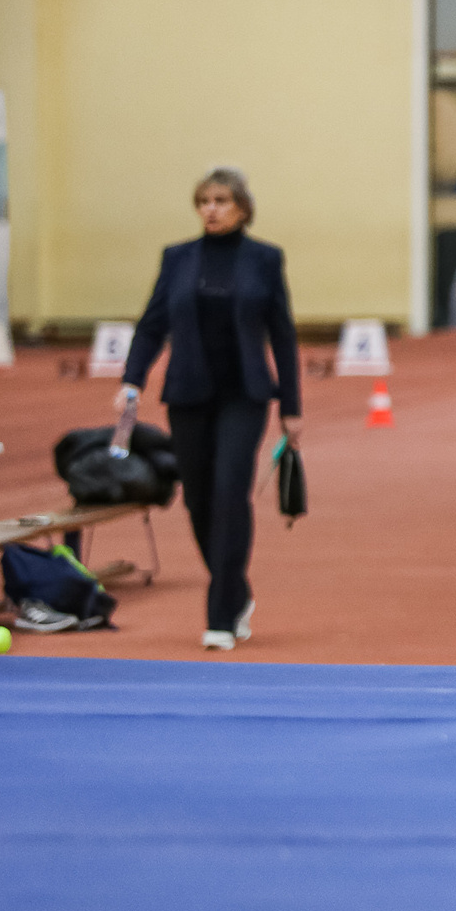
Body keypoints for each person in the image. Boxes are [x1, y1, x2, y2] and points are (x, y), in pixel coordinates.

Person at [117, 167, 302, 652]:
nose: (211, 210)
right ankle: (236, 590)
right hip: (188, 394)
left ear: (242, 207)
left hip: (245, 394)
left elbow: (281, 333)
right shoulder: (177, 258)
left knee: (228, 493)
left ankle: (220, 612)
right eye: (203, 201)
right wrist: (132, 380)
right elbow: (152, 324)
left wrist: (292, 405)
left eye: (220, 200)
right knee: (198, 499)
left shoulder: (264, 259)